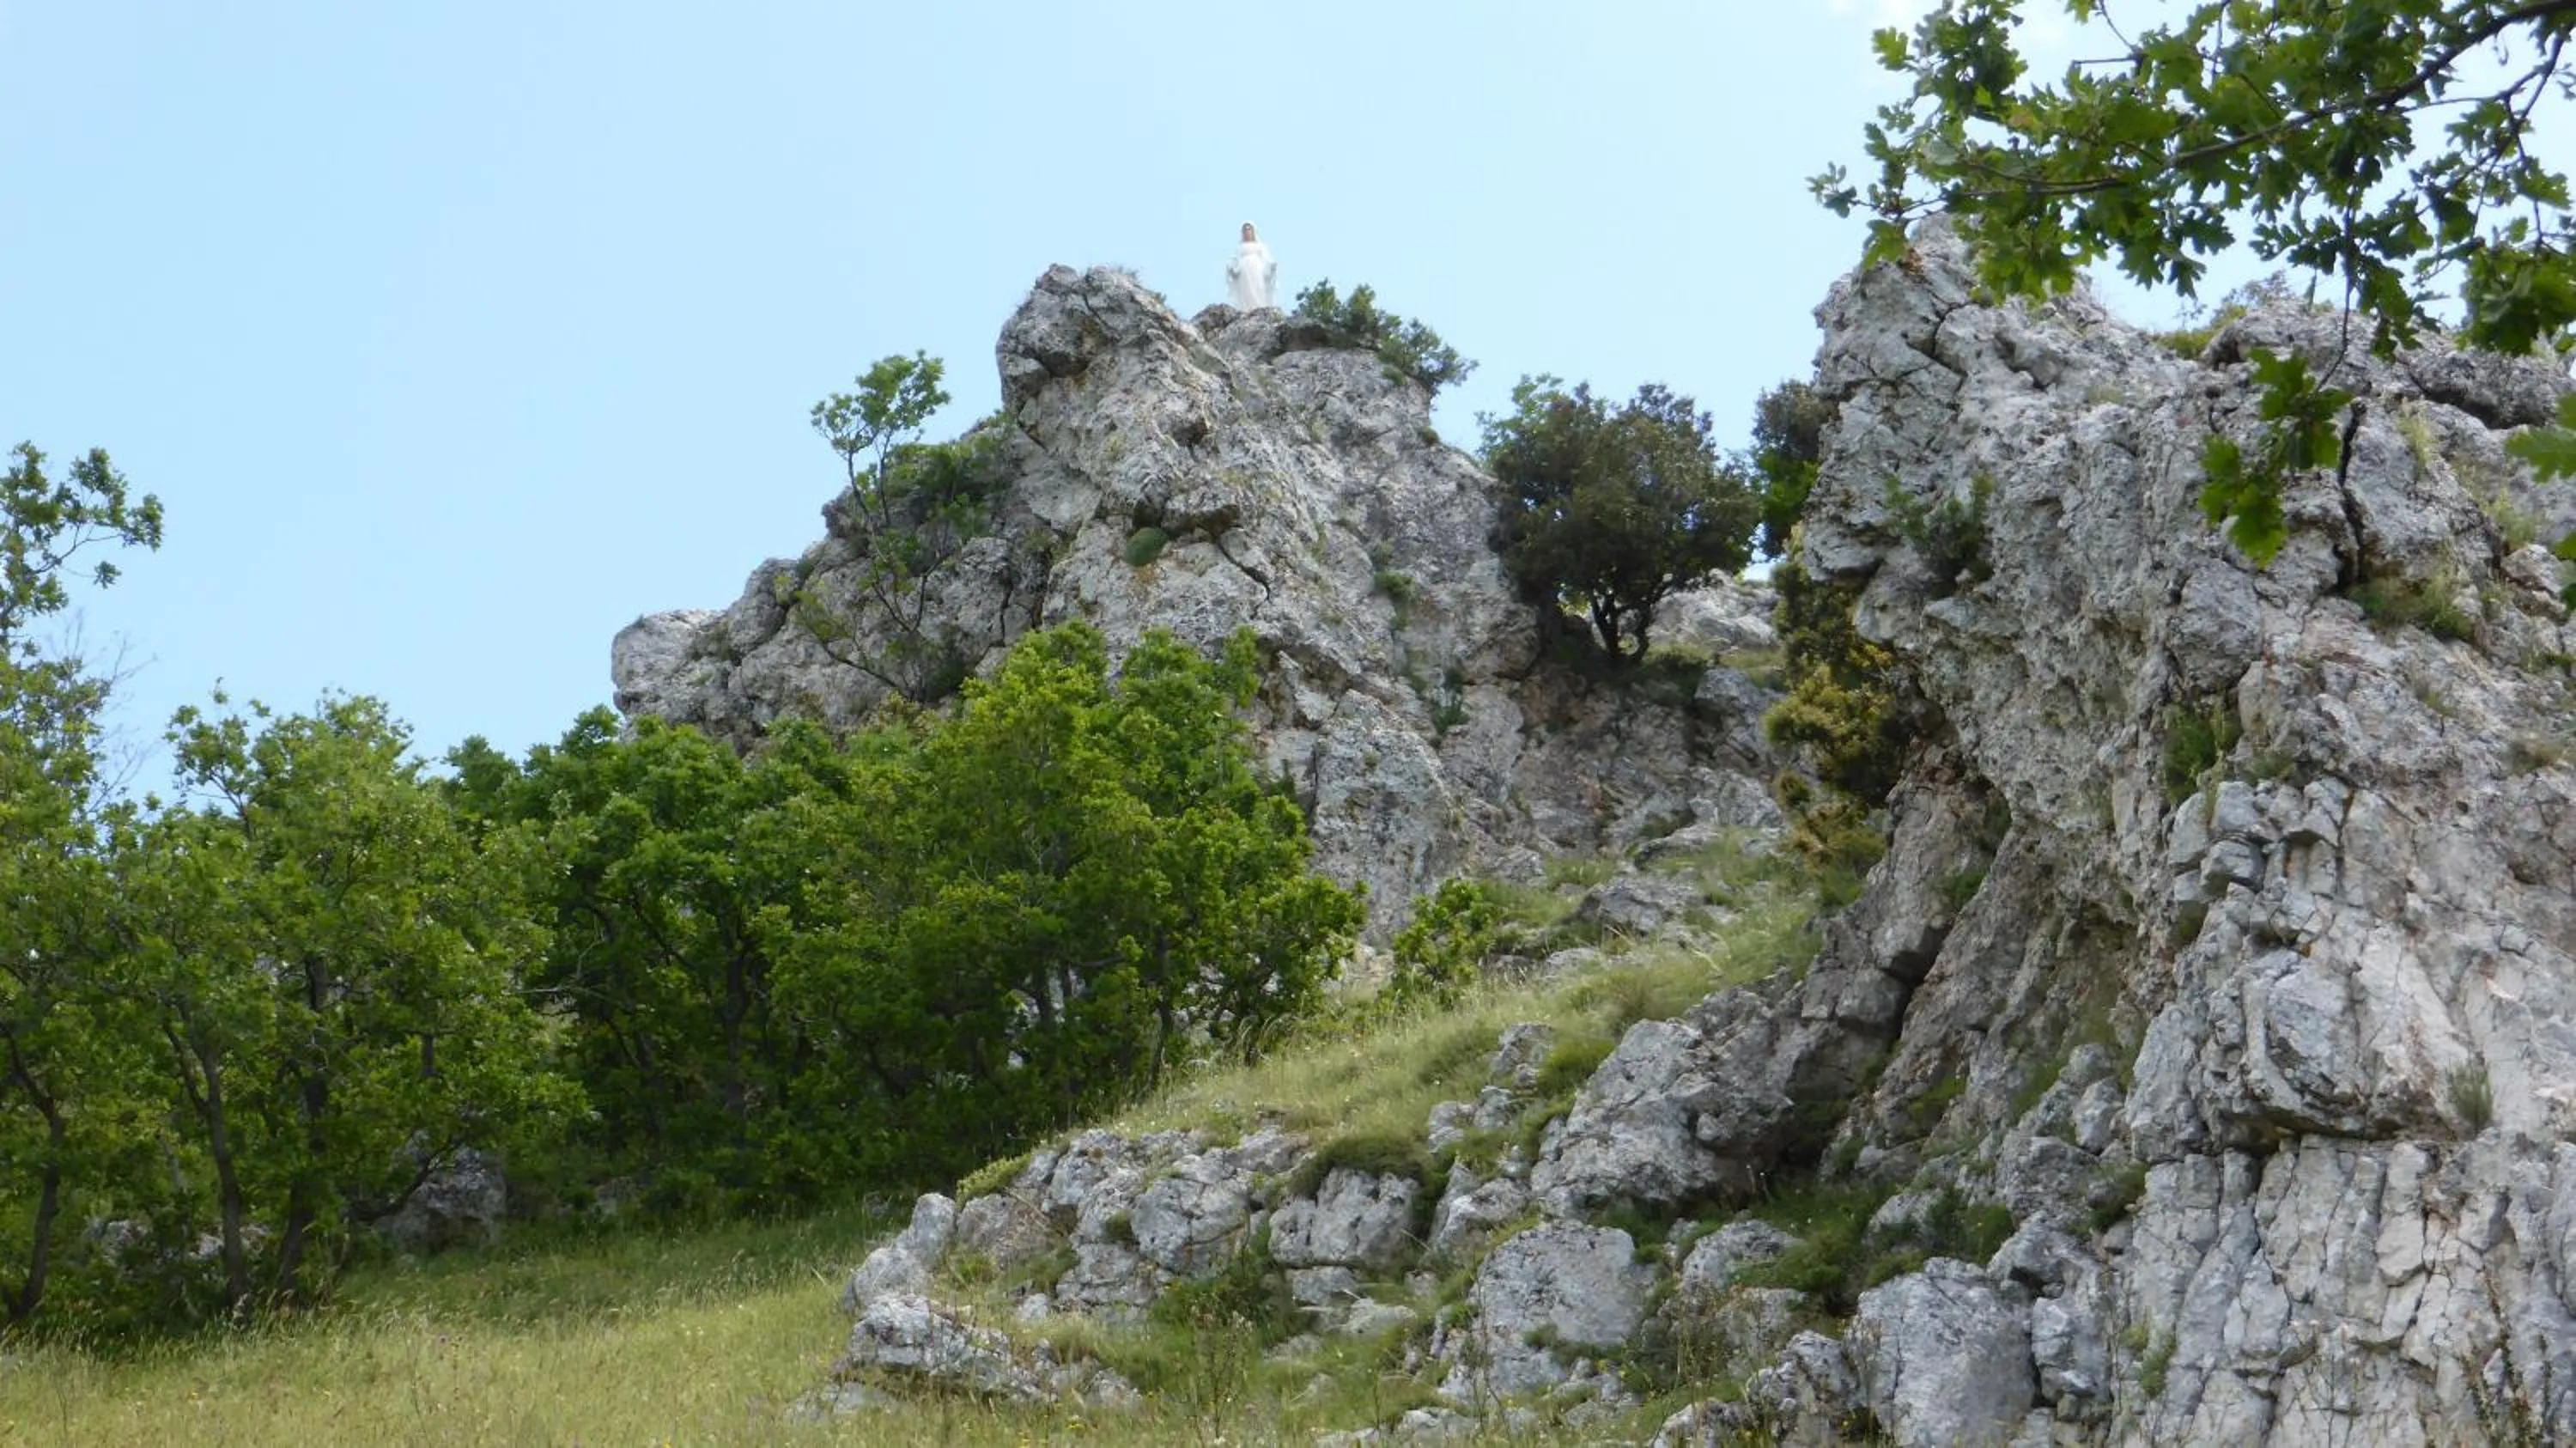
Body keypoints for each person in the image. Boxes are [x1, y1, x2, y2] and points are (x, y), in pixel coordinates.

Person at [1226, 222, 1278, 311]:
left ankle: (1259, 307)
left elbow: (1267, 260)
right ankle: (1246, 310)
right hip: (1244, 272)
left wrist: (1271, 268)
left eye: (1249, 230)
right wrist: (1232, 270)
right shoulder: (1240, 248)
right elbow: (1235, 262)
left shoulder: (1260, 246)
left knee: (1258, 288)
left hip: (1257, 269)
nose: (1247, 232)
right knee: (1246, 291)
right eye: (1245, 230)